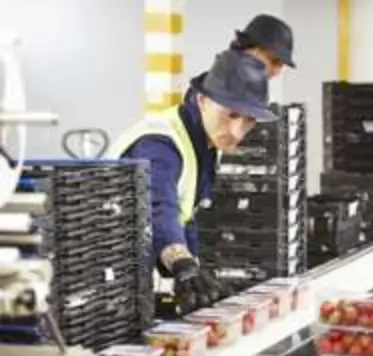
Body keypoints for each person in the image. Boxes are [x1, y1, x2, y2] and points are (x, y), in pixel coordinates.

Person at [108, 50, 278, 314]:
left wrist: (195, 272)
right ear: (203, 101)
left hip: (137, 276)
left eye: (249, 121)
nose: (237, 132)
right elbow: (157, 209)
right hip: (108, 281)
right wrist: (182, 265)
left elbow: (184, 213)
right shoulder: (160, 144)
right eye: (231, 115)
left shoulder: (205, 140)